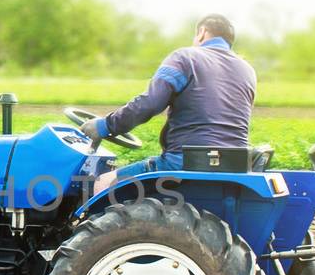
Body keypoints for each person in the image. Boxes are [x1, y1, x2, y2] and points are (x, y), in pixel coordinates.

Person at [81, 14, 256, 194]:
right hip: (234, 163)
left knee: (101, 184)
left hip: (185, 161)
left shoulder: (185, 57)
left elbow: (150, 103)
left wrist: (106, 125)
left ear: (202, 32)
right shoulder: (247, 70)